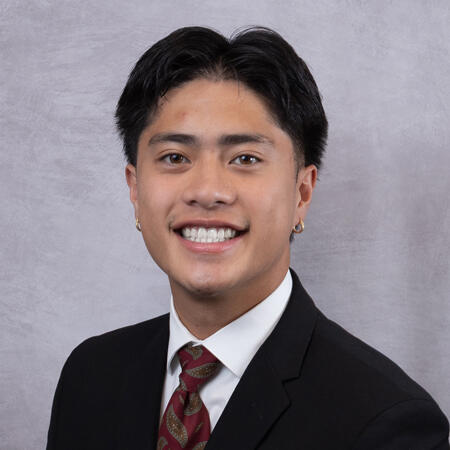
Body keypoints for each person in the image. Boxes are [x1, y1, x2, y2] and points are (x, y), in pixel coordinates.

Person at [46, 26, 449, 450]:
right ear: (135, 189)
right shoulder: (90, 376)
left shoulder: (386, 423)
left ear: (302, 193)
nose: (207, 191)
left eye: (245, 158)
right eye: (175, 157)